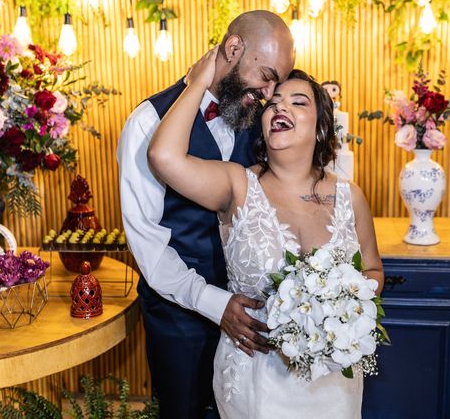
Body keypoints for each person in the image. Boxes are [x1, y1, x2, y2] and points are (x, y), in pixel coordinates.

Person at [147, 47, 384, 418]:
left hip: (334, 384)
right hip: (256, 382)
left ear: (322, 125)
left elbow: (372, 271)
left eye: (298, 102)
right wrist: (198, 83)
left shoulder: (350, 197)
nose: (279, 108)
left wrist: (342, 312)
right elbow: (164, 157)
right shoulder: (237, 185)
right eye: (272, 103)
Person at [117, 11, 295, 419]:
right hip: (180, 318)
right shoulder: (147, 123)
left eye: (276, 85)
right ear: (233, 49)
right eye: (265, 76)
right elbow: (148, 246)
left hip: (254, 317)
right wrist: (216, 303)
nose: (269, 94)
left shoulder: (256, 118)